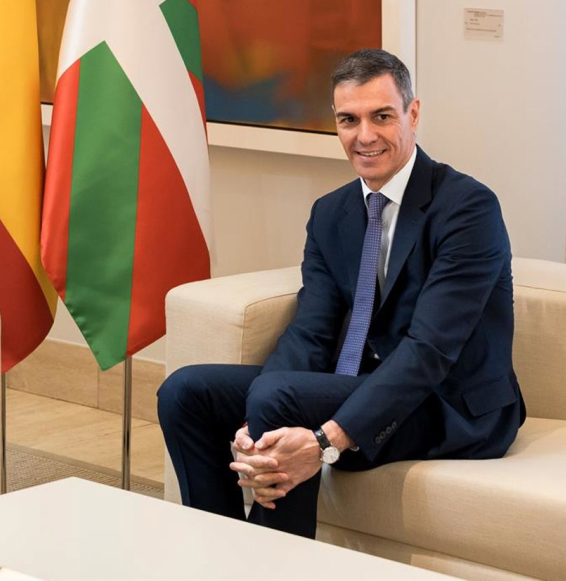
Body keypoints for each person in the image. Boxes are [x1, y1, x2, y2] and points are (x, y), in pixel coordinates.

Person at [158, 49, 524, 539]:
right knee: (186, 392)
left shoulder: (468, 208)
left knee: (279, 395)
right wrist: (251, 426)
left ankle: (277, 566)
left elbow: (430, 351)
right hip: (357, 382)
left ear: (413, 114)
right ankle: (220, 551)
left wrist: (324, 439)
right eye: (349, 120)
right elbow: (311, 330)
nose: (364, 136)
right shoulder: (332, 213)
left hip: (445, 402)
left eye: (382, 117)